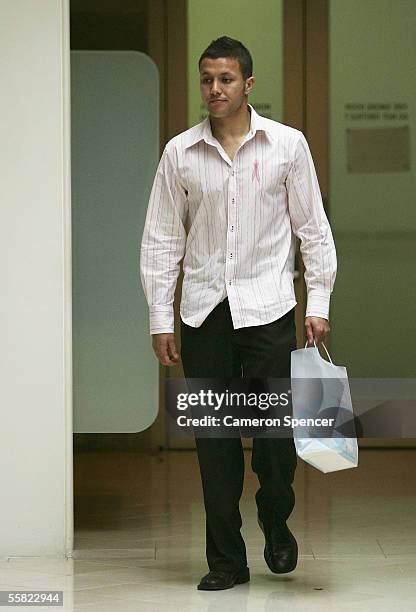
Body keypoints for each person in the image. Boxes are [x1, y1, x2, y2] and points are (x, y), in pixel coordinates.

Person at [140, 35, 337, 591]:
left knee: (275, 442)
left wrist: (317, 303)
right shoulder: (180, 153)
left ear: (247, 84)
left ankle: (275, 519)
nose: (214, 89)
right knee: (215, 445)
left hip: (271, 307)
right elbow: (160, 239)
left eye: (225, 79)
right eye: (206, 79)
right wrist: (162, 317)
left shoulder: (287, 146)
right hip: (204, 313)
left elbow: (313, 230)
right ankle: (226, 561)